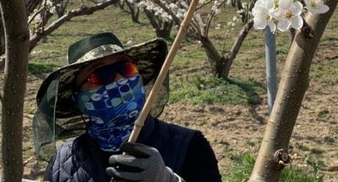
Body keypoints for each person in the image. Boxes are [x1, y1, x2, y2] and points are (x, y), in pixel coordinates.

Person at [33, 32, 222, 182]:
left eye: (126, 68)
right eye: (101, 75)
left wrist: (168, 180)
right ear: (80, 99)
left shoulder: (188, 145)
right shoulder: (63, 163)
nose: (120, 80)